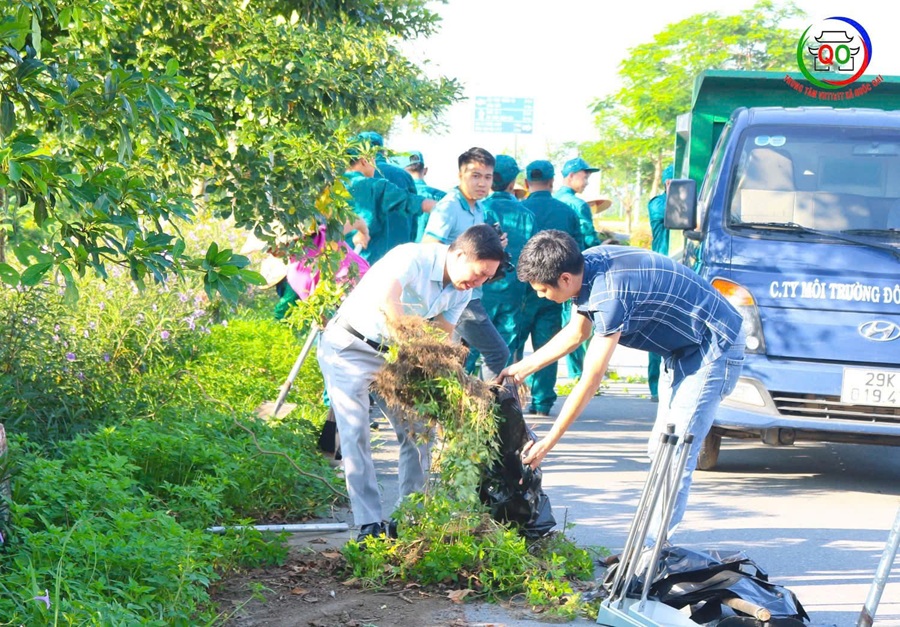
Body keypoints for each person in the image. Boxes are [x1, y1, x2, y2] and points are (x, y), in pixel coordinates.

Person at [501, 230, 745, 541]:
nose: (540, 296)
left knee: (675, 454)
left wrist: (549, 442)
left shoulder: (609, 296)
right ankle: (643, 545)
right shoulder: (587, 265)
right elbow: (576, 334)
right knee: (660, 448)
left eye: (542, 290)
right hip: (683, 348)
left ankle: (649, 552)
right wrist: (520, 369)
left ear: (564, 279)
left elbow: (591, 379)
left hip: (714, 347)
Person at [317, 224, 506, 541]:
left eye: (487, 278)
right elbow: (389, 301)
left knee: (420, 431)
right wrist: (413, 344)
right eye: (478, 274)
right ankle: (368, 524)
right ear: (460, 255)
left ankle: (407, 516)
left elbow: (442, 335)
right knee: (355, 433)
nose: (479, 282)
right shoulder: (410, 258)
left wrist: (446, 385)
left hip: (395, 357)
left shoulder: (463, 291)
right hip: (350, 348)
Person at [421, 147, 510, 381]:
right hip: (456, 294)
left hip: (470, 292)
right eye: (475, 175)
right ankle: (487, 402)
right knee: (497, 353)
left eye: (488, 177)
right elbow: (428, 248)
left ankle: (461, 403)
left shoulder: (478, 208)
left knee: (454, 361)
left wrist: (494, 245)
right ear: (460, 175)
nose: (482, 183)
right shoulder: (449, 206)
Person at [517, 160, 583, 416]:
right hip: (557, 288)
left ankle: (510, 398)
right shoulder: (566, 211)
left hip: (523, 290)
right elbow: (579, 251)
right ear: (552, 182)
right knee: (548, 342)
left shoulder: (520, 209)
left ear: (526, 183)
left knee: (513, 344)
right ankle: (542, 401)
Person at [465, 155, 534, 373]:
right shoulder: (527, 216)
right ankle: (494, 393)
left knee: (468, 347)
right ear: (513, 183)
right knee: (502, 349)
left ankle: (460, 392)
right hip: (513, 291)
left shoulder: (479, 209)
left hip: (479, 288)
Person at [344, 144, 434, 265]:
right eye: (373, 161)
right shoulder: (377, 186)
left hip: (334, 263)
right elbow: (413, 202)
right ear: (364, 161)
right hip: (371, 263)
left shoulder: (330, 187)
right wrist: (444, 207)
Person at [555, 156, 603, 381]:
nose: (586, 182)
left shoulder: (555, 201)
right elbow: (588, 237)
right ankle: (581, 374)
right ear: (571, 176)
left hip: (551, 270)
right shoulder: (578, 204)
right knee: (580, 321)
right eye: (584, 177)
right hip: (575, 271)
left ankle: (575, 372)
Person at [647, 165, 674, 402]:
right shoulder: (658, 204)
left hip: (683, 270)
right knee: (655, 329)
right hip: (661, 273)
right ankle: (655, 386)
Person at [398, 151, 446, 242]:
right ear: (425, 170)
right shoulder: (444, 197)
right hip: (434, 249)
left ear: (402, 172)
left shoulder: (398, 197)